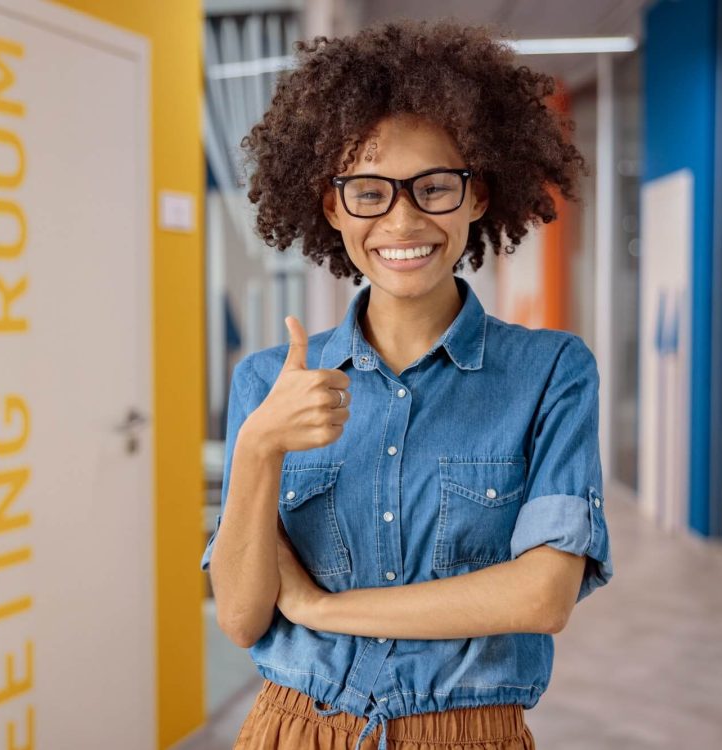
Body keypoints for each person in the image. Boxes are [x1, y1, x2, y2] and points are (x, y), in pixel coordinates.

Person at [201, 19, 613, 750]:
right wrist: (261, 444)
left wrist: (325, 610)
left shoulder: (551, 372)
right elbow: (241, 617)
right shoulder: (268, 381)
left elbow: (543, 595)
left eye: (433, 187)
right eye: (369, 191)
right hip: (296, 729)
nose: (402, 219)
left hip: (470, 733)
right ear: (332, 206)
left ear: (478, 196)